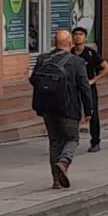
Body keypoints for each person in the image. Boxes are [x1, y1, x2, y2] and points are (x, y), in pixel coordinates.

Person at [32, 28, 92, 189]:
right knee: (72, 139)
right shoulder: (76, 62)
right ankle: (64, 162)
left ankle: (56, 180)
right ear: (70, 43)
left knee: (55, 141)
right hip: (69, 107)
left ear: (54, 43)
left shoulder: (42, 59)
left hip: (47, 107)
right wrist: (88, 110)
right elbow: (84, 87)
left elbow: (33, 80)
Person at [71, 26, 108, 152]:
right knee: (72, 114)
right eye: (76, 34)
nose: (78, 36)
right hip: (73, 88)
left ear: (85, 38)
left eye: (81, 34)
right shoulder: (70, 53)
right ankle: (72, 142)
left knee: (93, 114)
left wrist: (93, 80)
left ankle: (95, 142)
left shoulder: (90, 53)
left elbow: (107, 68)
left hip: (88, 89)